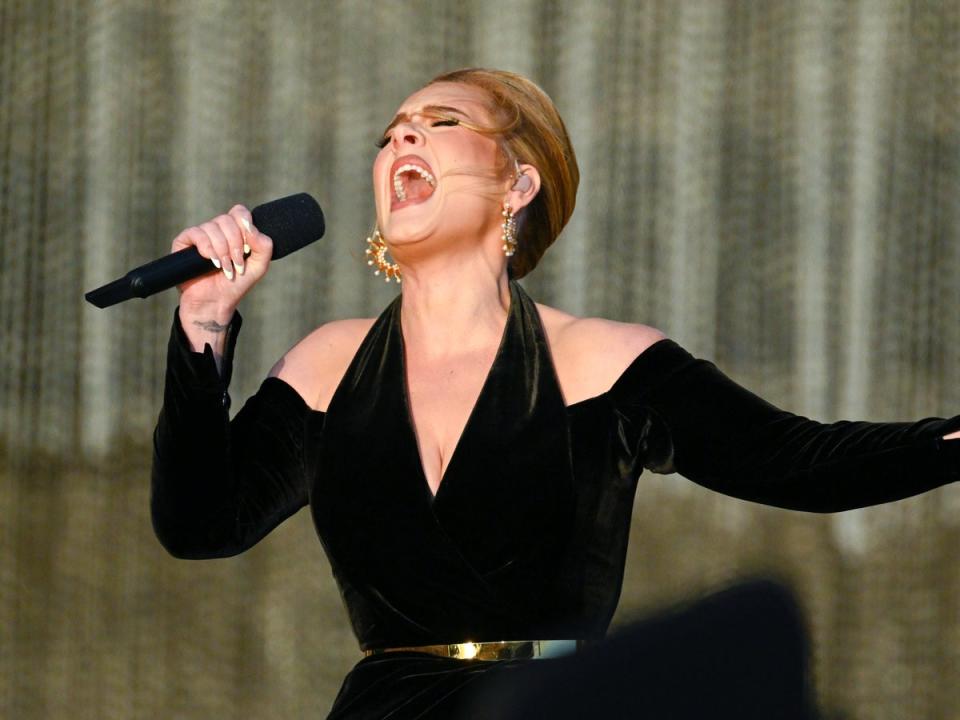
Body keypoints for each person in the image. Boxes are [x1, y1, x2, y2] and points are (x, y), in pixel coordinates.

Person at [151, 68, 960, 719]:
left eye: (441, 122)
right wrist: (205, 322)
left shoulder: (605, 362)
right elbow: (198, 524)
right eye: (393, 129)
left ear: (519, 184)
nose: (403, 133)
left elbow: (801, 463)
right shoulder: (328, 362)